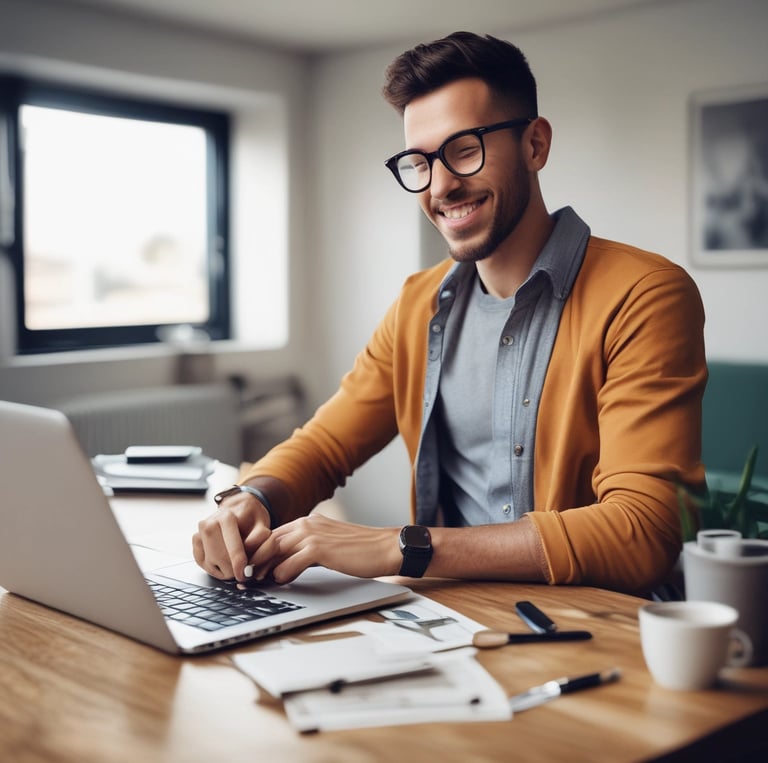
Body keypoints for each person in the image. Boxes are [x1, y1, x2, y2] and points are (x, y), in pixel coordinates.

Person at [193, 32, 707, 596]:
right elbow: (324, 445)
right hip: (450, 617)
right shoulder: (419, 303)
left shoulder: (644, 294)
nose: (440, 185)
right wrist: (254, 499)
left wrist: (400, 546)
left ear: (535, 145)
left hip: (582, 627)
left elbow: (644, 530)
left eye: (465, 149)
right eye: (420, 161)